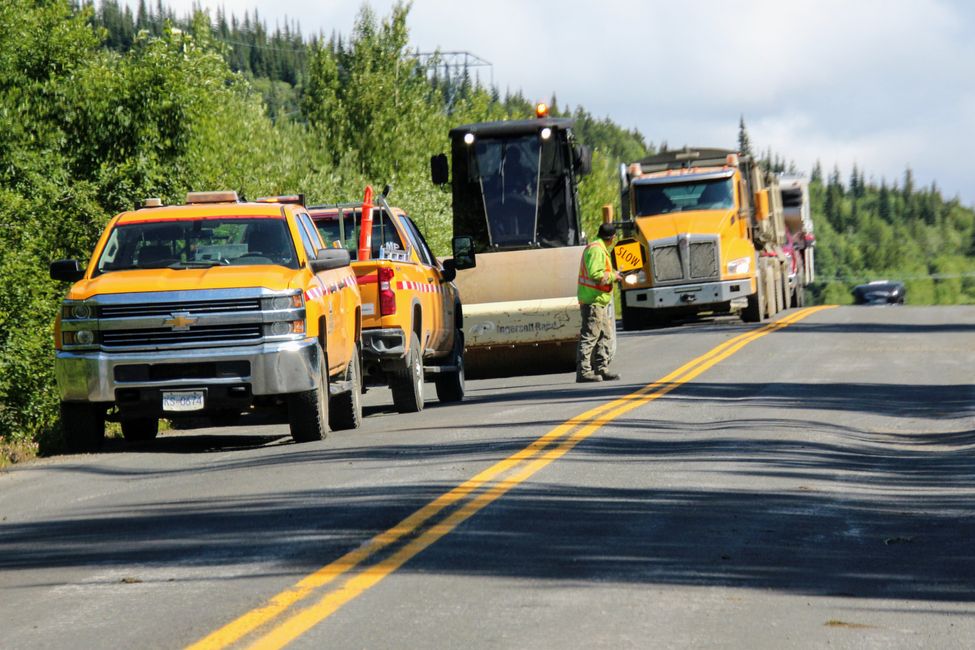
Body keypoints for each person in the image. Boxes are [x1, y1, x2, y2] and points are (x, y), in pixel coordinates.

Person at [576, 222, 622, 382]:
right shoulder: (596, 249)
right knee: (590, 336)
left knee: (604, 335)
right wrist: (613, 276)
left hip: (597, 300)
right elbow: (596, 274)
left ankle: (602, 369)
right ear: (613, 237)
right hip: (593, 300)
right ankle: (584, 372)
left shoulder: (599, 247)